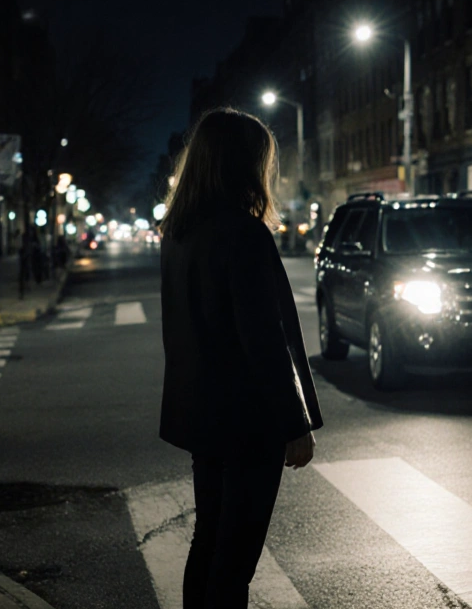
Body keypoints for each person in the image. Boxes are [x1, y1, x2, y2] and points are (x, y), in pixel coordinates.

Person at [159, 107, 323, 609]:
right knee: (234, 562)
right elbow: (264, 340)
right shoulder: (244, 234)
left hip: (201, 414)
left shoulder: (180, 234)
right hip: (249, 421)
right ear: (243, 166)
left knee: (208, 540)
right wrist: (294, 425)